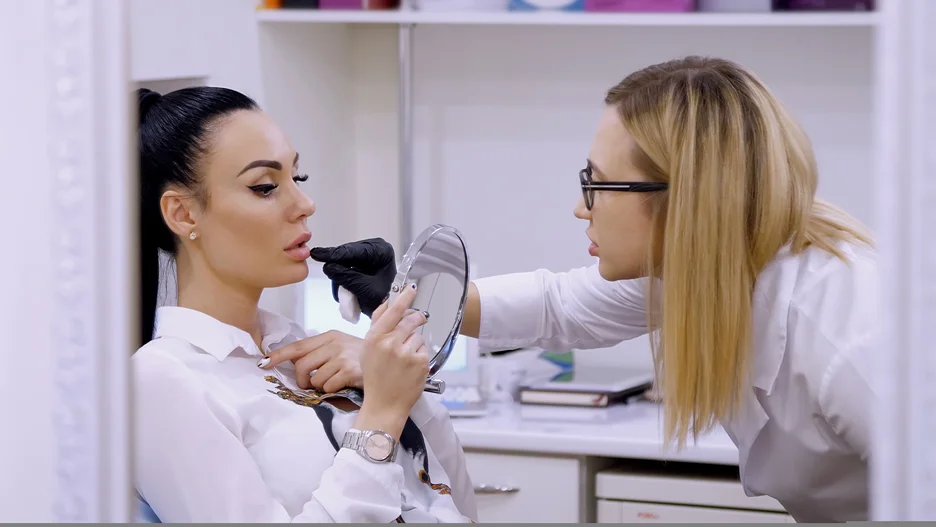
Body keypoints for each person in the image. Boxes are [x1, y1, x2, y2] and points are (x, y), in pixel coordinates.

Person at [312, 56, 877, 523]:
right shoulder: (714, 266)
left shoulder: (848, 325)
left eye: (597, 184)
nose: (580, 207)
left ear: (684, 198)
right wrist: (412, 294)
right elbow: (560, 308)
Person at [133, 86, 477, 523]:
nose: (305, 204)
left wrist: (405, 383)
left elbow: (451, 504)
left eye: (299, 179)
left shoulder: (306, 348)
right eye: (264, 187)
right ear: (183, 214)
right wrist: (382, 414)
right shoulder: (165, 378)